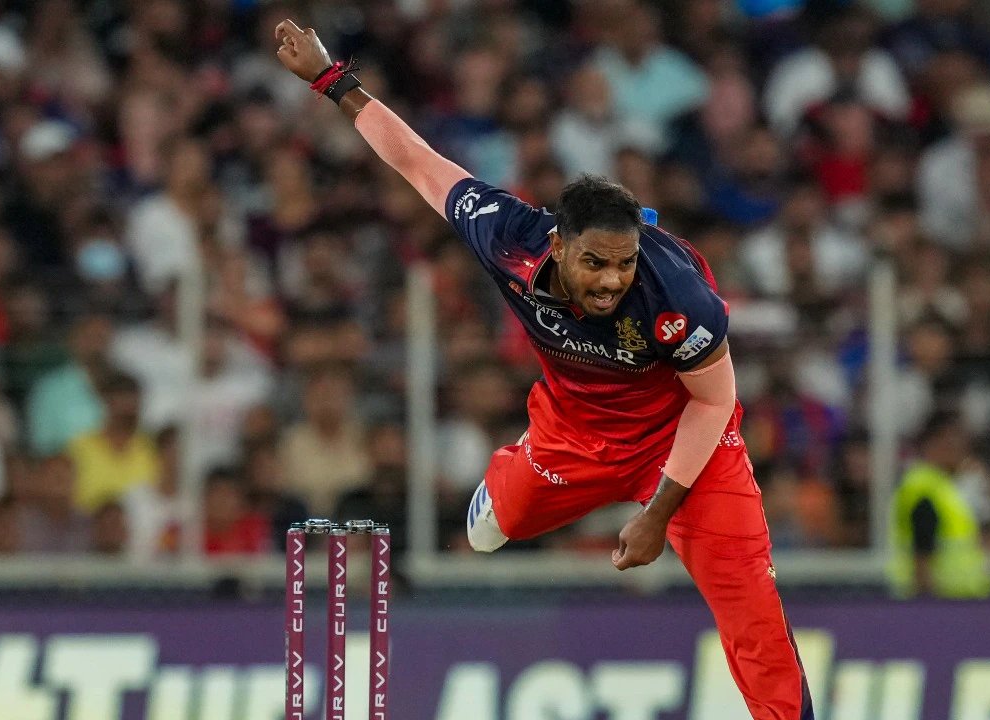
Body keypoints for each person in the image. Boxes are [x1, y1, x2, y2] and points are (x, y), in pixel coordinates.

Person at [275, 20, 815, 718]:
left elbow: (713, 403)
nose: (612, 281)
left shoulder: (678, 295)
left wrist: (657, 514)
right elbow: (420, 164)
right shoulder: (507, 235)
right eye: (595, 263)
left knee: (752, 607)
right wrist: (331, 80)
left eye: (624, 264)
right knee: (491, 532)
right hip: (573, 434)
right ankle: (506, 481)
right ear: (558, 245)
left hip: (683, 440)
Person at [888, 411, 990, 599]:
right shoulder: (924, 489)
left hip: (956, 599)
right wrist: (928, 603)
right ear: (934, 444)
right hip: (942, 601)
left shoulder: (941, 486)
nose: (960, 452)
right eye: (953, 444)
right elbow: (921, 552)